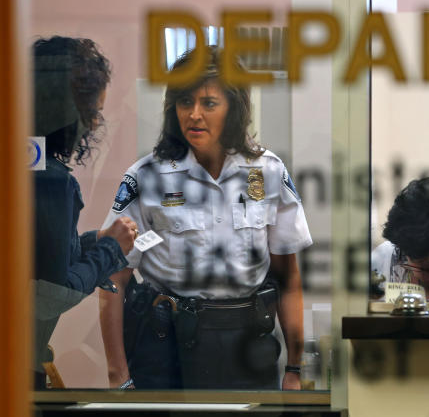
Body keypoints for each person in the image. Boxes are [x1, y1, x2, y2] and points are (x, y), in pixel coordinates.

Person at [98, 47, 312, 390]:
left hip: (248, 344)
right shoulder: (146, 177)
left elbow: (288, 279)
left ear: (235, 108)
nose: (194, 115)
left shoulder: (267, 172)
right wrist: (118, 376)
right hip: (165, 346)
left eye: (209, 104)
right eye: (185, 102)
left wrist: (295, 369)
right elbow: (113, 280)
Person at [32, 36, 137, 389]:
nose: (94, 125)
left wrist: (94, 241)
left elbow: (35, 259)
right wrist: (111, 251)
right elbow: (49, 293)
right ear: (64, 108)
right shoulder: (50, 180)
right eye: (91, 112)